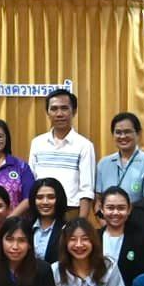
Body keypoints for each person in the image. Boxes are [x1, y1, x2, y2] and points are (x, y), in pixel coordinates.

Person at [27, 88, 97, 217]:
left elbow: (86, 189)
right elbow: (32, 181)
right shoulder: (37, 143)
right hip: (41, 209)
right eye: (54, 109)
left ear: (74, 111)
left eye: (64, 108)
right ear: (47, 112)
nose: (59, 114)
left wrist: (80, 222)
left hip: (70, 211)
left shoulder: (84, 145)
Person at [95, 112, 144, 205]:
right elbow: (98, 200)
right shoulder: (104, 163)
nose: (123, 136)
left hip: (138, 218)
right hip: (108, 219)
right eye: (118, 132)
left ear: (138, 133)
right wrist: (102, 220)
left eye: (127, 132)